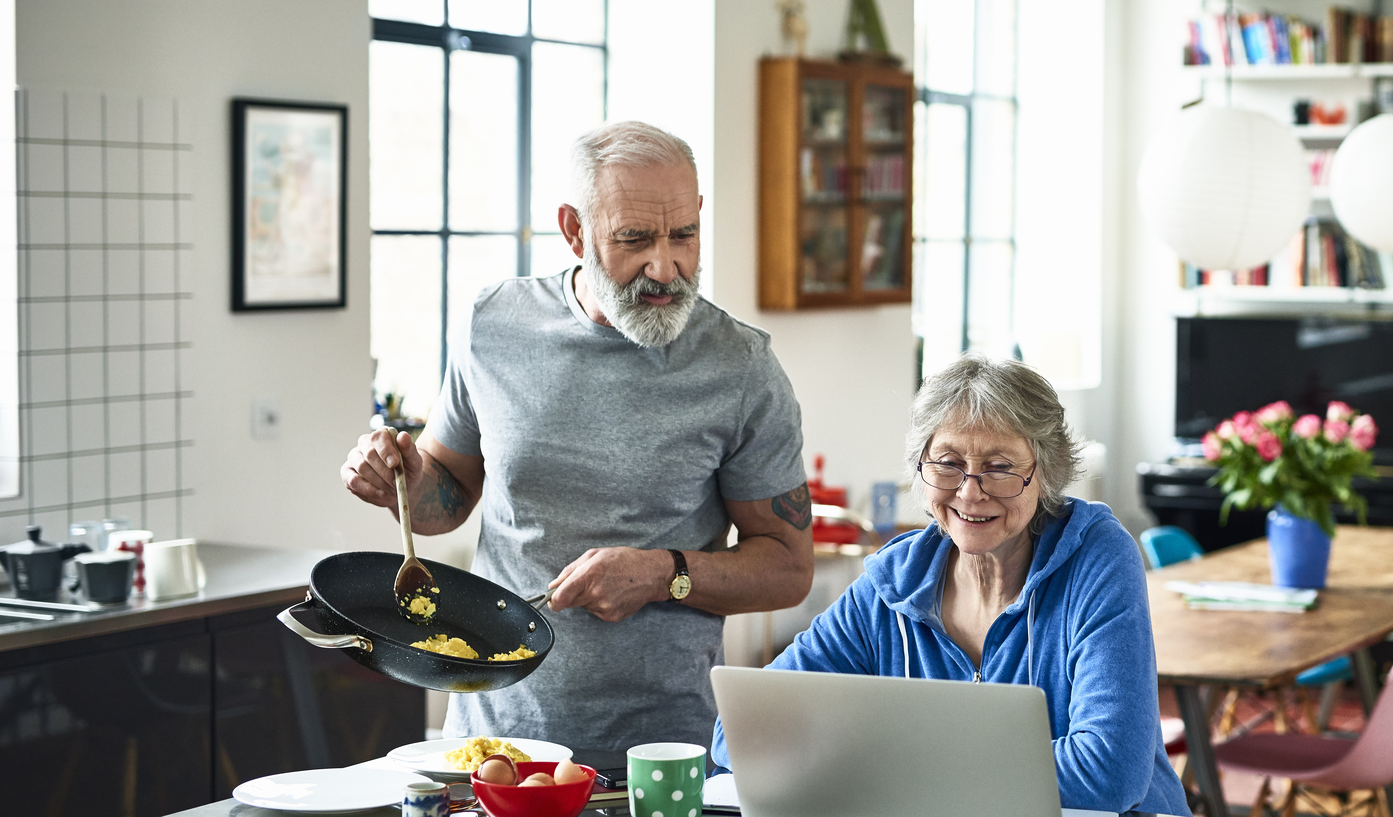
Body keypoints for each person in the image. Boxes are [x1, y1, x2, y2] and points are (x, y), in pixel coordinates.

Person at [341, 120, 814, 751]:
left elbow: (787, 567)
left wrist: (662, 573)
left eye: (685, 235)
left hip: (661, 752)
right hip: (493, 741)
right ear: (574, 230)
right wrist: (399, 479)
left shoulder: (742, 368)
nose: (665, 266)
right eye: (635, 238)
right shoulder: (494, 324)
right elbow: (445, 498)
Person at [712, 355, 1189, 816]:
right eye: (947, 462)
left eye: (1000, 467)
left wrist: (889, 765)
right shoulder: (892, 584)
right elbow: (739, 734)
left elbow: (1110, 771)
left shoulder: (1097, 558)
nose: (969, 491)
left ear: (1046, 472)